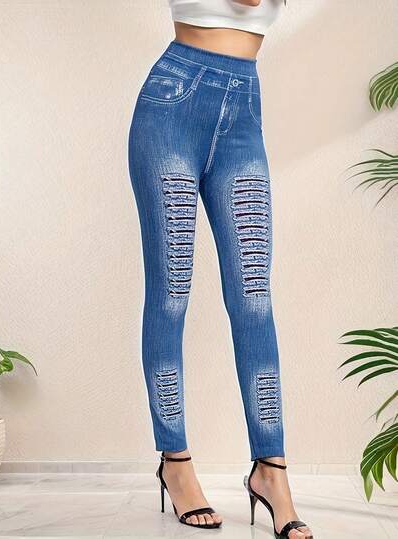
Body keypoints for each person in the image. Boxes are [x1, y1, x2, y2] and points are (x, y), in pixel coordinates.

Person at [128, 1, 313, 537]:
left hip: (243, 113)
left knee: (254, 300)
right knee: (170, 294)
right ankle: (176, 461)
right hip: (172, 104)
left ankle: (271, 471)